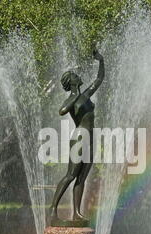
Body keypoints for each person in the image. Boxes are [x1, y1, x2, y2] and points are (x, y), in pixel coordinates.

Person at [49, 49, 105, 224]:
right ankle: (52, 209)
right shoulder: (72, 99)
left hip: (90, 137)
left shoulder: (86, 95)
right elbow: (62, 111)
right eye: (74, 75)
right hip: (79, 137)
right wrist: (73, 96)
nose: (78, 76)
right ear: (70, 82)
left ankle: (77, 213)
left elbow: (99, 80)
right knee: (71, 175)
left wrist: (101, 61)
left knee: (82, 177)